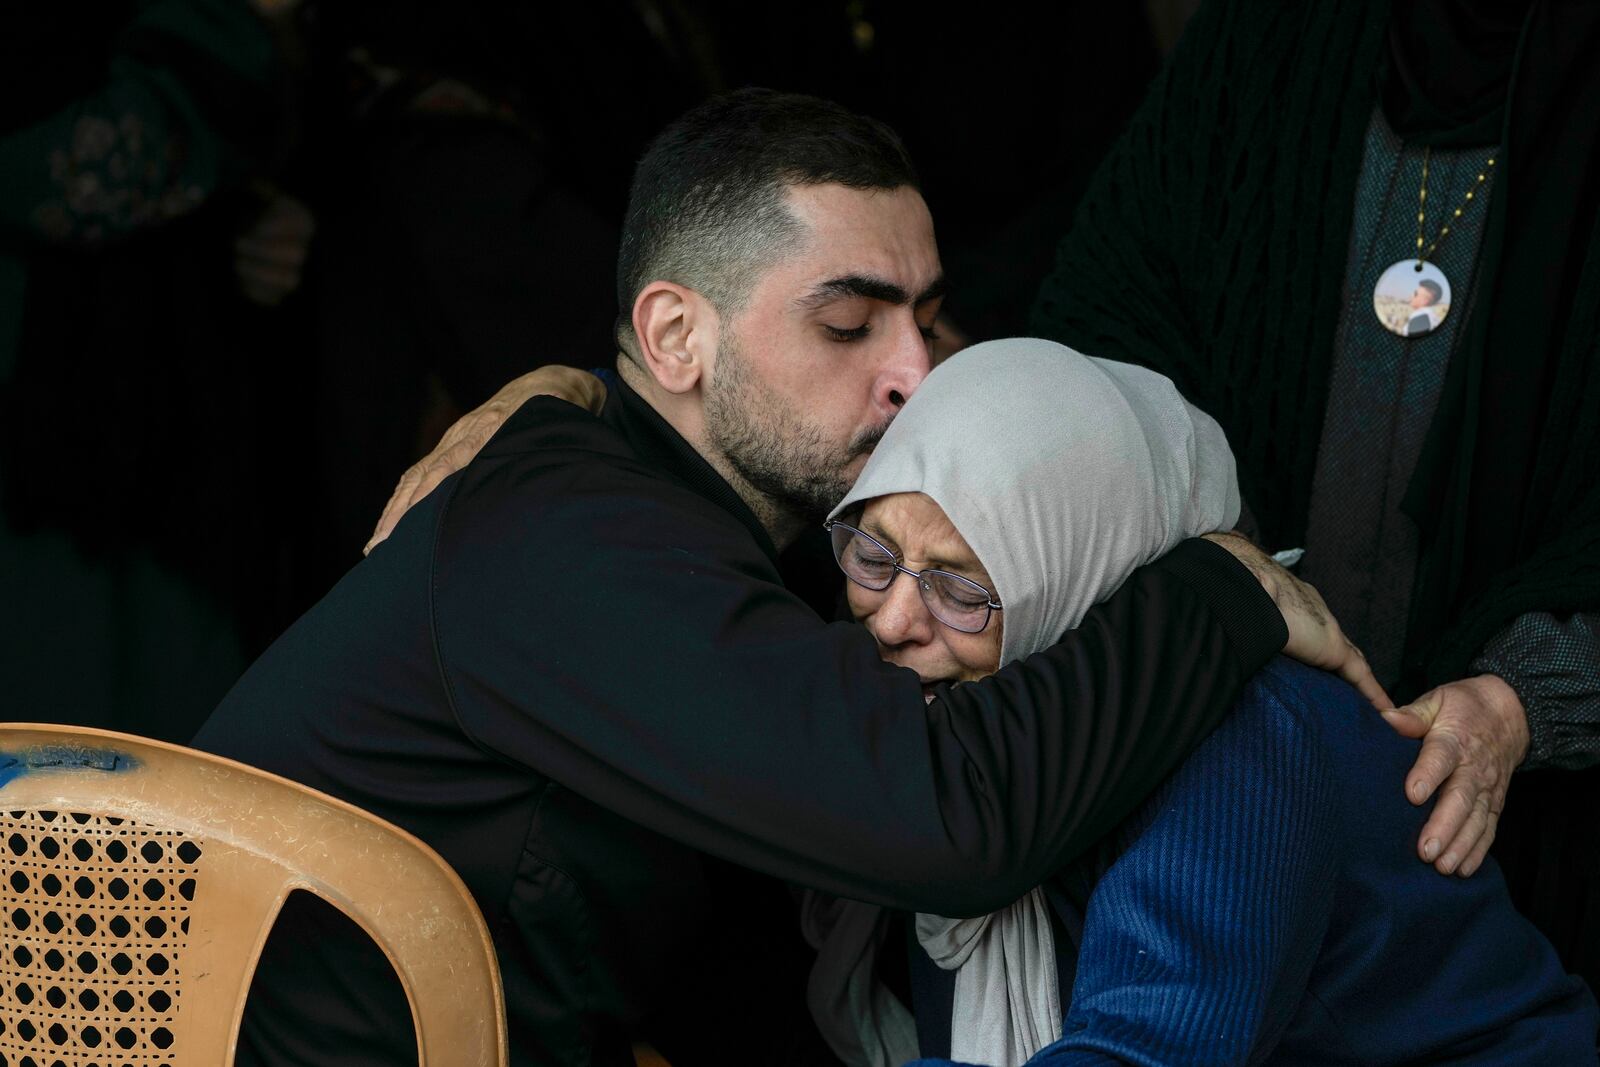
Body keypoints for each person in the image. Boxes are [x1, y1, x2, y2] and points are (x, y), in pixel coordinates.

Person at [194, 89, 1374, 1065]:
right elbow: (946, 815)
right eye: (850, 324)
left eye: (925, 317)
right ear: (674, 339)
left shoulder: (642, 496)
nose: (917, 370)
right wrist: (1222, 586)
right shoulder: (580, 543)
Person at [811, 338, 1598, 1066]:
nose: (892, 621)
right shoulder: (975, 720)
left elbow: (1143, 1053)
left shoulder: (1246, 737)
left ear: (1075, 579)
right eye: (874, 551)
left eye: (961, 585)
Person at [1027, 0, 1600, 987]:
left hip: (1533, 863)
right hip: (1214, 794)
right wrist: (1207, 549)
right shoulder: (1263, 35)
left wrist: (1522, 702)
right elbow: (1105, 338)